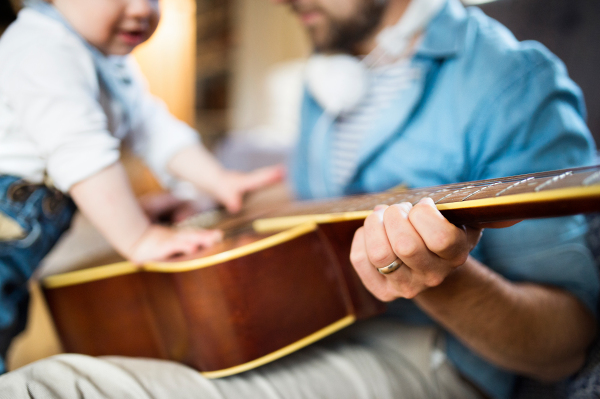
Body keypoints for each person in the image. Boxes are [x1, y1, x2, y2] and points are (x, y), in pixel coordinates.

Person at [0, 0, 597, 398]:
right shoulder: (332, 66)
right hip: (299, 322)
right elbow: (328, 206)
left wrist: (440, 279)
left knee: (49, 387)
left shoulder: (511, 81)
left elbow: (567, 347)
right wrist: (218, 210)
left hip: (433, 351)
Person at [0, 0, 283, 374]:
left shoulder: (108, 62)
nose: (141, 9)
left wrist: (218, 180)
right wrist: (139, 237)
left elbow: (155, 130)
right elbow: (81, 153)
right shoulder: (41, 48)